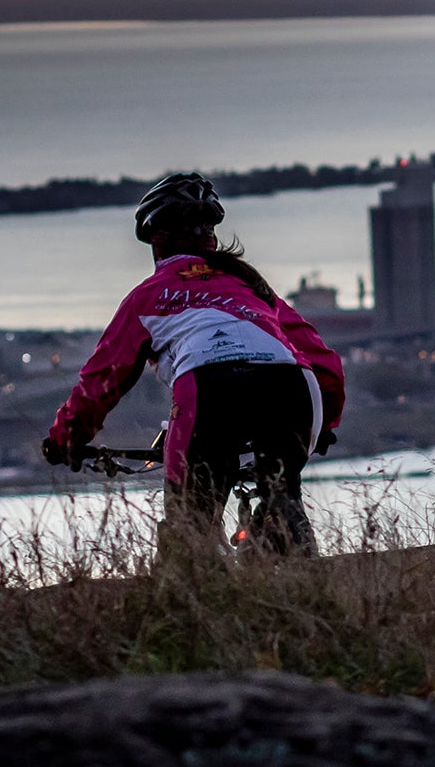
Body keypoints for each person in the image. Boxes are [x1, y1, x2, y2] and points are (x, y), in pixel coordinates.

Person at [41, 172, 345, 553]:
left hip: (210, 388)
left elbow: (102, 379)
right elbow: (323, 362)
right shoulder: (250, 286)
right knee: (283, 498)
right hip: (293, 389)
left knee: (190, 528)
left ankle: (194, 589)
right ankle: (296, 557)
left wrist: (66, 439)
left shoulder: (147, 297)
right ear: (211, 237)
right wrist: (325, 422)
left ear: (156, 239)